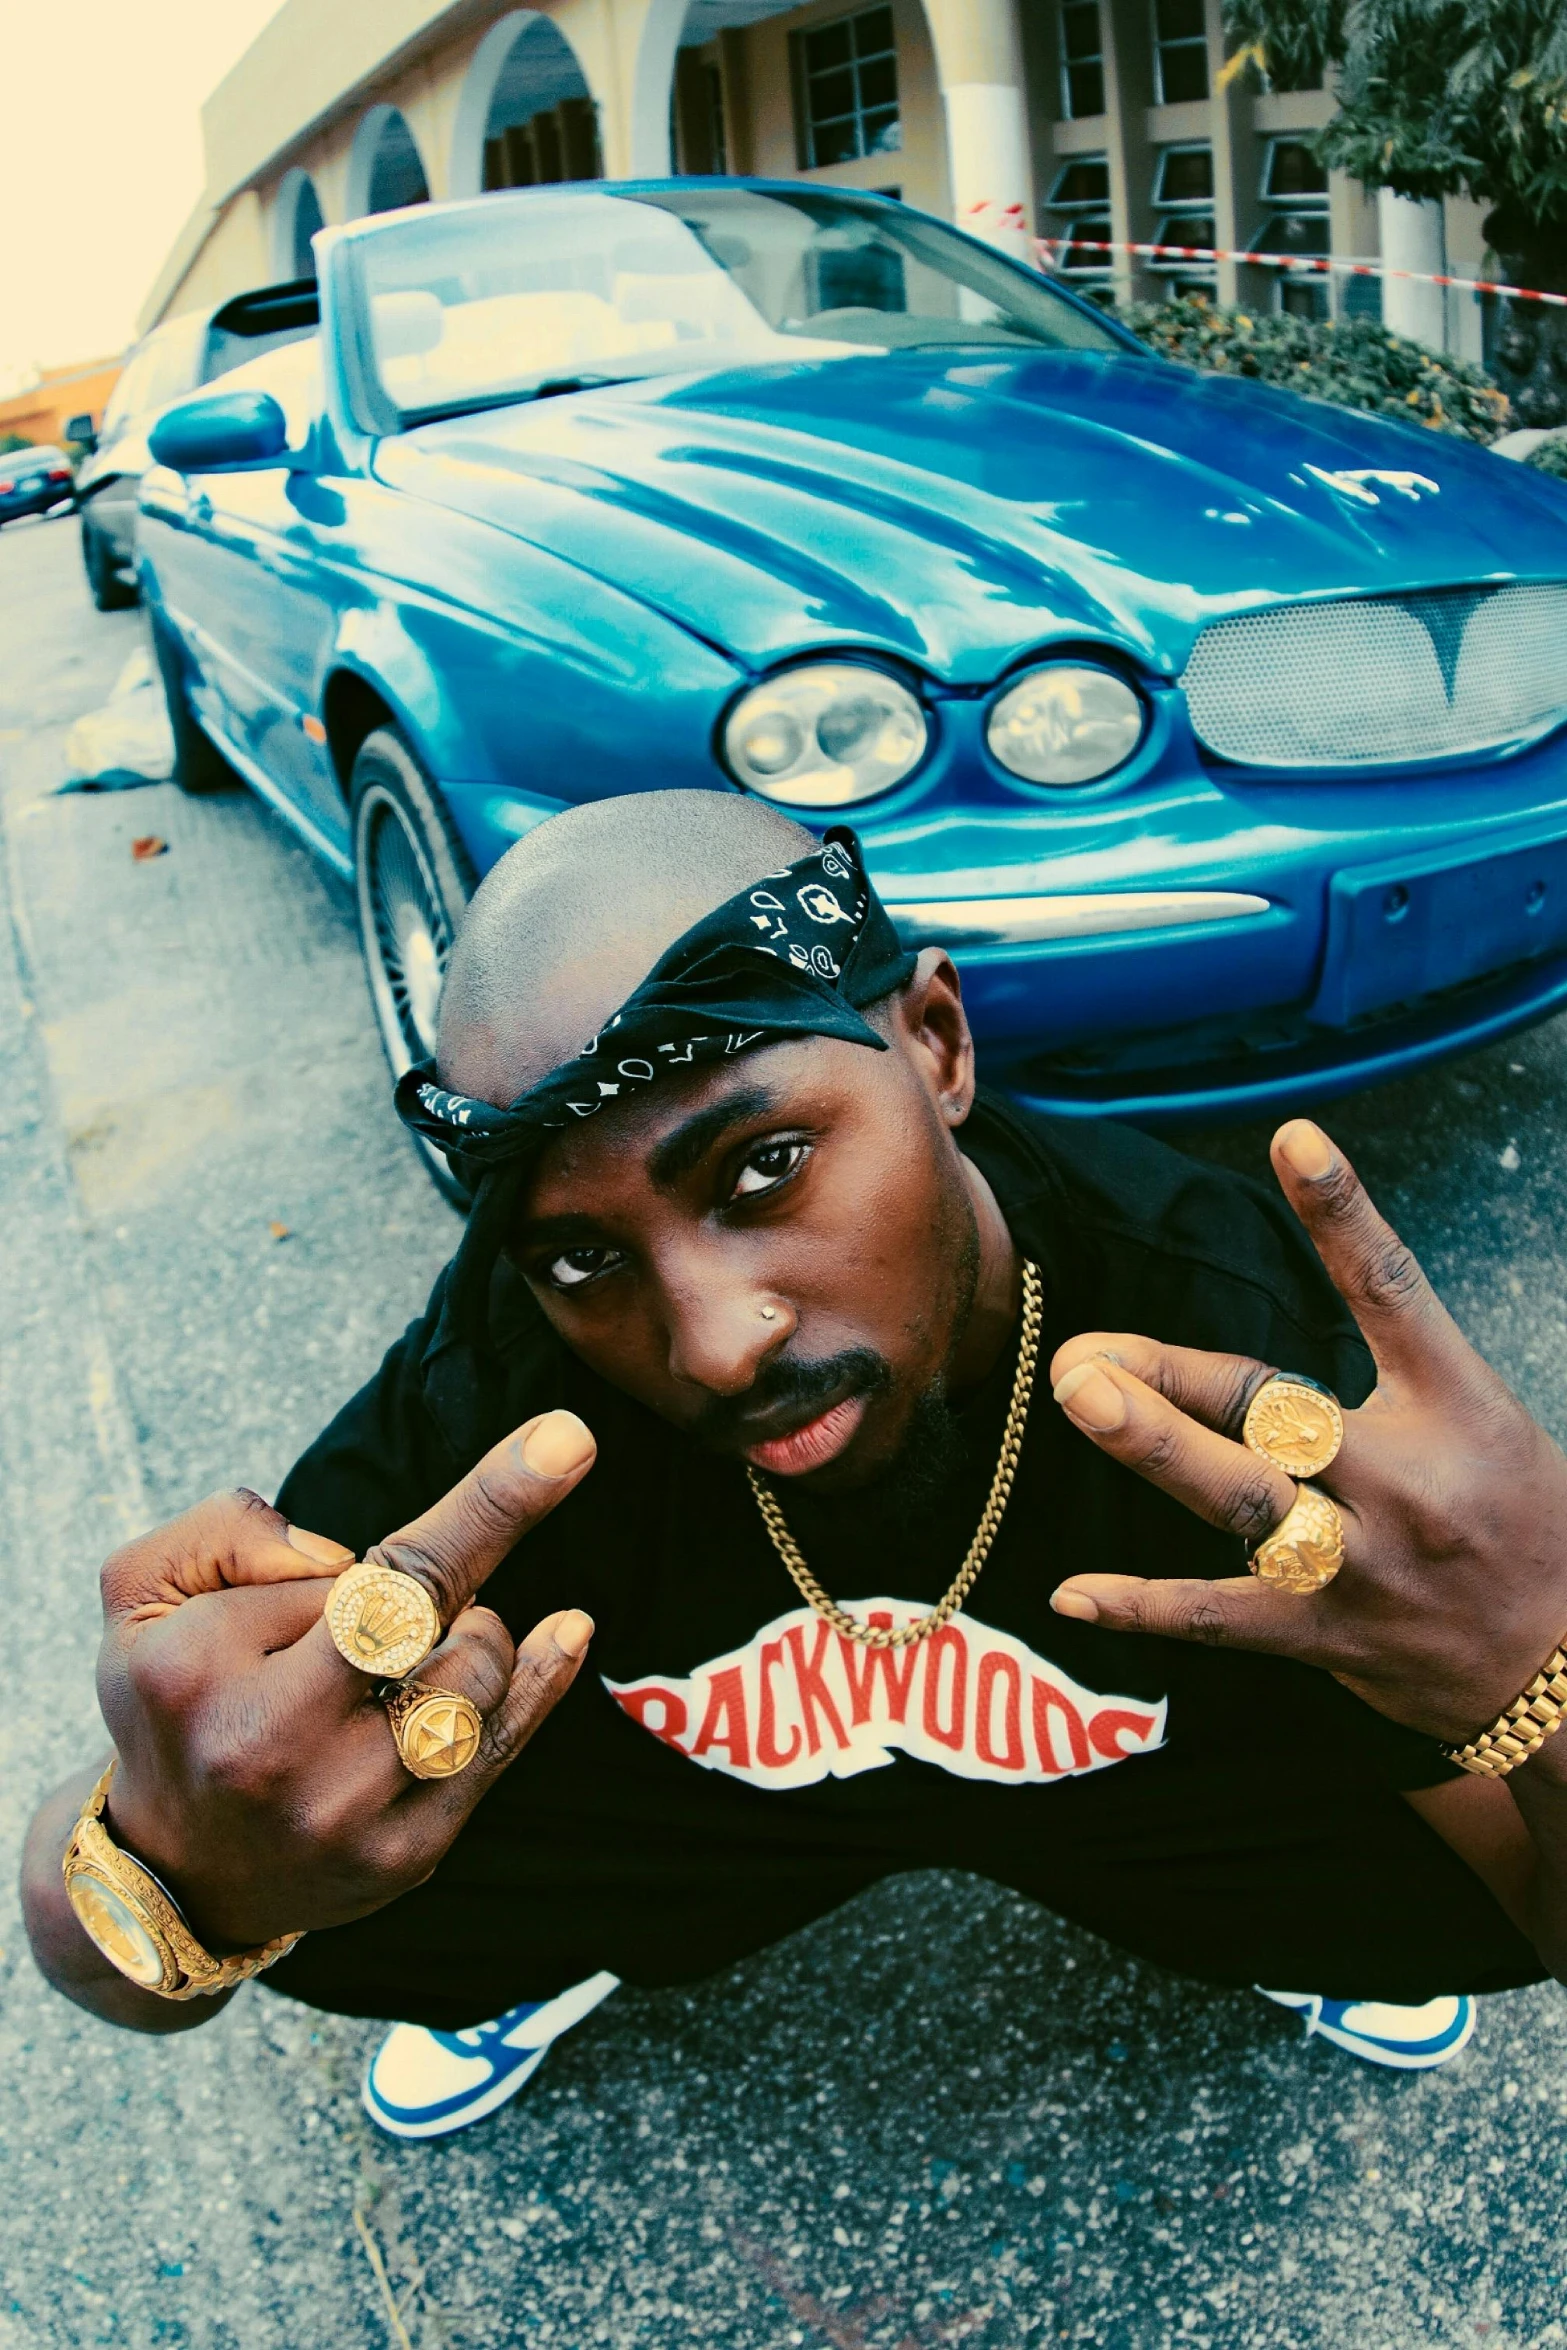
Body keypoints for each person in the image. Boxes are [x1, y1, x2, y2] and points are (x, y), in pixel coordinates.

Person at [24, 792, 1567, 2141]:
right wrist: (165, 1871)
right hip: (709, 1810)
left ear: (937, 1043)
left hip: (1150, 1781)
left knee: (1471, 1820)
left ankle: (1290, 1923)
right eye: (577, 1251)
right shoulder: (512, 1370)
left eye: (761, 1166)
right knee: (318, 1841)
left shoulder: (1205, 1318)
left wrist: (1538, 1669)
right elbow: (92, 1930)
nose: (709, 1344)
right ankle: (530, 1944)